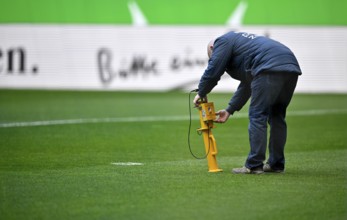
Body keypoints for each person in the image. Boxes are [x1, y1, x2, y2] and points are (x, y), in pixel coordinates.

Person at [193, 31, 301, 174]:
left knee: (258, 115)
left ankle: (254, 164)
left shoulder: (221, 41)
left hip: (268, 66)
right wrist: (230, 110)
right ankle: (276, 164)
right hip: (290, 66)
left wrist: (201, 92)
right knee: (277, 116)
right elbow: (248, 84)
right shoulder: (244, 46)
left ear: (213, 48)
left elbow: (213, 71)